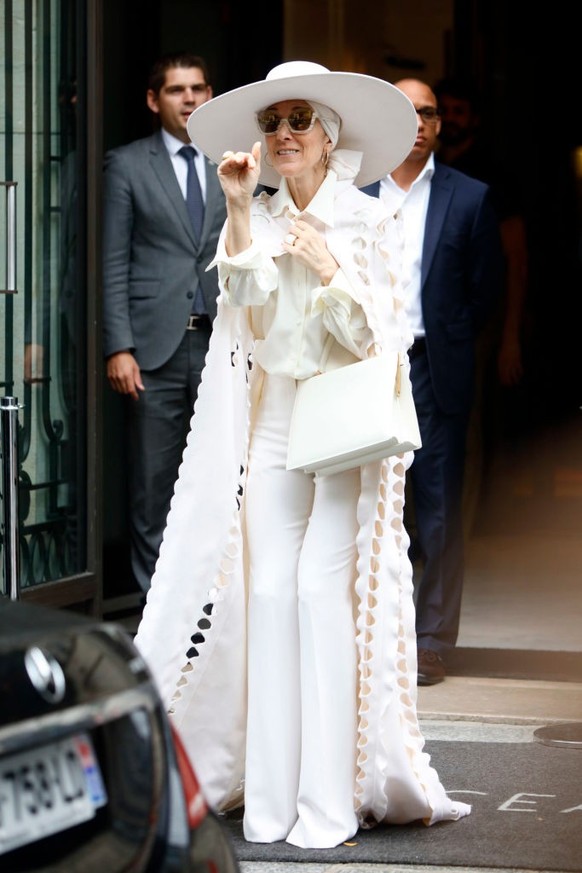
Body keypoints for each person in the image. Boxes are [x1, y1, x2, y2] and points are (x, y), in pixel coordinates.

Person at [134, 60, 471, 850]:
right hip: (279, 424)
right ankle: (272, 803)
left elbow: (376, 341)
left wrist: (330, 274)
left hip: (344, 428)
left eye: (298, 122)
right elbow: (243, 308)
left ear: (328, 137)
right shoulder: (256, 212)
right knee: (270, 595)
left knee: (324, 593)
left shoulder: (368, 220)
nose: (282, 135)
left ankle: (330, 801)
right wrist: (238, 207)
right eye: (272, 123)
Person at [362, 78, 504, 685]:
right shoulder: (353, 191)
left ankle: (431, 641)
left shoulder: (469, 198)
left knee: (440, 508)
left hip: (434, 366)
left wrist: (448, 337)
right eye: (407, 111)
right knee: (372, 503)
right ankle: (369, 634)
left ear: (440, 125)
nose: (418, 121)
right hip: (368, 368)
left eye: (428, 112)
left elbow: (486, 290)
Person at [102, 52, 227, 593]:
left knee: (218, 480)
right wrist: (118, 346)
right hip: (153, 349)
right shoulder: (127, 164)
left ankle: (207, 608)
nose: (190, 98)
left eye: (198, 88)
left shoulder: (232, 162)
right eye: (177, 90)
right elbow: (111, 260)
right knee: (153, 486)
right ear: (155, 101)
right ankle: (154, 613)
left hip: (223, 342)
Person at [433, 76, 530, 477]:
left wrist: (510, 336)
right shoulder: (425, 171)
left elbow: (516, 255)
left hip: (478, 321)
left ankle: (464, 532)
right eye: (445, 111)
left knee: (464, 421)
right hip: (429, 318)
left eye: (459, 112)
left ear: (474, 119)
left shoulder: (492, 177)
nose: (451, 120)